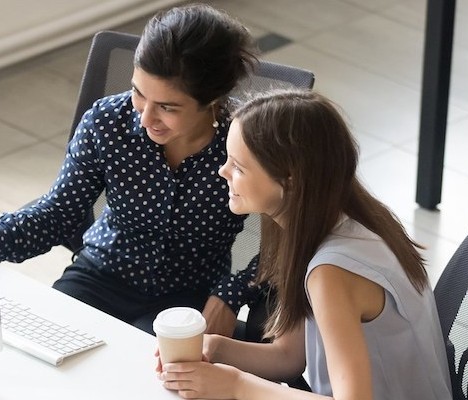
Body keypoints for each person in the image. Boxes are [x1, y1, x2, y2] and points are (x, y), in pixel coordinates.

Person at [158, 89, 452, 399]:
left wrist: (235, 385)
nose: (223, 171)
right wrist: (213, 347)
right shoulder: (333, 220)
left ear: (290, 181)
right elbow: (290, 357)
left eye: (239, 167)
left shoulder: (332, 273)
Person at [0, 3, 262, 336]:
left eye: (167, 107)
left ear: (213, 100)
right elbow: (58, 214)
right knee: (50, 350)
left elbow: (294, 243)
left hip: (187, 298)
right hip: (100, 275)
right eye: (138, 92)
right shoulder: (107, 122)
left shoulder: (247, 143)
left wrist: (232, 294)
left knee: (150, 376)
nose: (145, 118)